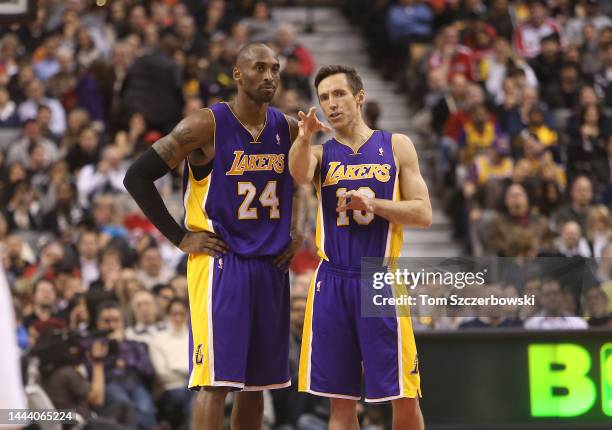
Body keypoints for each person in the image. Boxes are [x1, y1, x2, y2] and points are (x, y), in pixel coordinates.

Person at [123, 43, 304, 430]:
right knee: (214, 383)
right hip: (222, 262)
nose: (270, 76)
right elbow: (136, 176)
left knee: (258, 386)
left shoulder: (287, 128)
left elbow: (301, 183)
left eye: (275, 68)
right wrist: (179, 237)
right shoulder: (204, 125)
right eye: (259, 68)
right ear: (238, 76)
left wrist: (299, 228)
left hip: (270, 264)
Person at [288, 65, 431, 429]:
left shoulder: (396, 145)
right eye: (324, 98)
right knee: (341, 402)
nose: (331, 104)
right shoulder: (321, 153)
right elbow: (300, 173)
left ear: (359, 97)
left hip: (378, 277)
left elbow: (423, 213)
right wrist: (303, 137)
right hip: (332, 280)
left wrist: (375, 205)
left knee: (403, 396)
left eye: (339, 94)